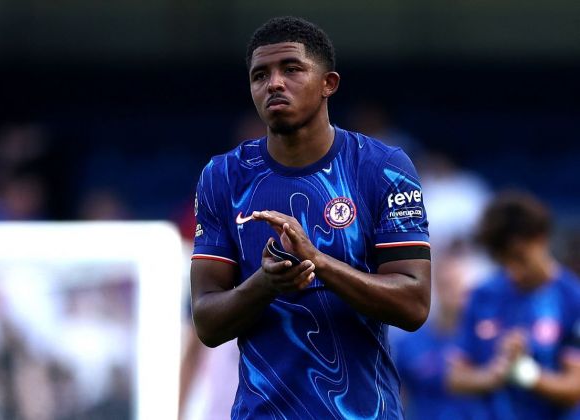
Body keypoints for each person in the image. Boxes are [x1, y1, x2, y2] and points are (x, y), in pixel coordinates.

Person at [190, 16, 431, 419]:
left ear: (328, 84)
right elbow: (208, 323)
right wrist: (266, 283)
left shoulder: (382, 167)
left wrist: (318, 263)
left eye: (292, 69)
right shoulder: (223, 176)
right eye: (260, 75)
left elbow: (414, 305)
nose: (274, 84)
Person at [446, 191, 580, 419]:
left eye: (520, 257)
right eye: (504, 262)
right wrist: (494, 374)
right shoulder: (483, 295)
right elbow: (455, 378)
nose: (514, 271)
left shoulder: (571, 298)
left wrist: (526, 374)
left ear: (541, 238)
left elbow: (575, 387)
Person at [393, 252, 486, 420]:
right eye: (447, 285)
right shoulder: (409, 344)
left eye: (459, 285)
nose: (454, 293)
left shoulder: (482, 340)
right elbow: (399, 397)